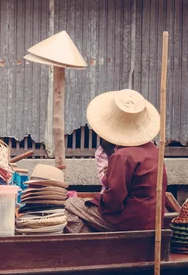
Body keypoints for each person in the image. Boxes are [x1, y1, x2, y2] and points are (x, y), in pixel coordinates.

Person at [65, 89, 167, 233]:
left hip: (129, 221)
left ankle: (90, 248)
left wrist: (96, 200)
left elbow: (113, 203)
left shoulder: (122, 156)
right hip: (151, 219)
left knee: (70, 205)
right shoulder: (154, 150)